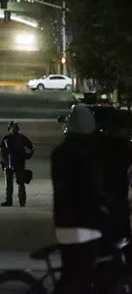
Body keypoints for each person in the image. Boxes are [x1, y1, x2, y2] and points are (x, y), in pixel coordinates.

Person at [51, 104, 106, 293]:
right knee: (83, 271)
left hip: (63, 221)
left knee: (71, 269)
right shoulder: (88, 154)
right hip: (85, 223)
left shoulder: (59, 152)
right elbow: (91, 188)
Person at [0, 120, 34, 207]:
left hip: (19, 162)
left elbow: (31, 147)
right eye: (11, 128)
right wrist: (4, 156)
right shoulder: (6, 138)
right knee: (9, 184)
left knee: (20, 182)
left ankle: (22, 201)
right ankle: (8, 200)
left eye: (14, 128)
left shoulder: (21, 138)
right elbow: (1, 148)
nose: (13, 130)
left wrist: (28, 155)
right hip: (9, 163)